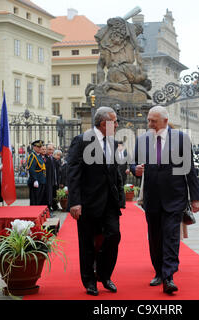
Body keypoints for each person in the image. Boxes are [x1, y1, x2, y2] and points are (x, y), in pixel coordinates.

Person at [130, 106, 199, 294]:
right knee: (155, 237)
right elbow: (133, 163)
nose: (150, 124)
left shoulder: (181, 139)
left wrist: (196, 198)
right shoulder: (143, 139)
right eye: (149, 120)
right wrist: (134, 169)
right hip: (152, 197)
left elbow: (190, 169)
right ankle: (159, 272)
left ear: (165, 121)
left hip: (175, 196)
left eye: (153, 121)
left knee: (170, 236)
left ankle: (169, 276)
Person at [67, 106, 125, 296]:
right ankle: (89, 281)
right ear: (103, 124)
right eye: (114, 121)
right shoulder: (82, 141)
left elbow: (115, 173)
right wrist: (75, 202)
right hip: (88, 202)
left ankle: (104, 274)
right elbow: (73, 172)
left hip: (109, 203)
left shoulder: (113, 143)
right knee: (87, 243)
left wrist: (120, 198)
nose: (117, 124)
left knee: (114, 236)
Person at [27, 140, 47, 206]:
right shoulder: (32, 156)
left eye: (40, 146)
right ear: (34, 147)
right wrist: (35, 180)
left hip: (41, 180)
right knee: (35, 200)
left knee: (41, 199)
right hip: (36, 181)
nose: (40, 148)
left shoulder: (39, 156)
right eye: (38, 147)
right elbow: (31, 169)